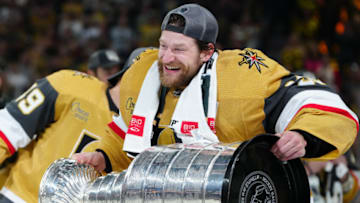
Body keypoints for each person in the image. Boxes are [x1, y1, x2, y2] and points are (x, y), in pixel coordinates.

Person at [72, 4, 359, 177]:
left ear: (207, 52)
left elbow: (323, 103)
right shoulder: (140, 73)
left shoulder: (244, 79)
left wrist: (303, 135)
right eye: (163, 45)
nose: (167, 57)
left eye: (180, 49)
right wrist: (102, 156)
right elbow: (125, 133)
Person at [0, 47, 145, 202]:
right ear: (130, 76)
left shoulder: (145, 130)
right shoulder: (68, 85)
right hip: (19, 196)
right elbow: (7, 128)